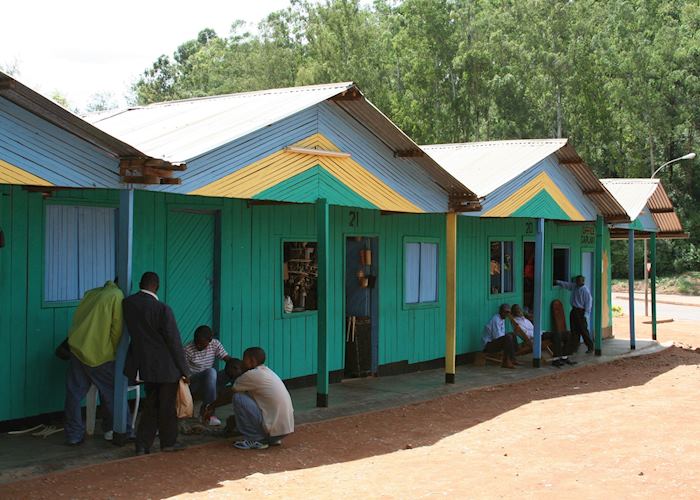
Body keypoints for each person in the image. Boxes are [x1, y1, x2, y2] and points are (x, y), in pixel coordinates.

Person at [123, 272, 190, 455]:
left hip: (144, 364)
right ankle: (168, 442)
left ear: (140, 283)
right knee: (166, 407)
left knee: (150, 404)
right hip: (166, 366)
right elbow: (173, 341)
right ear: (157, 286)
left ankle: (142, 444)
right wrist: (185, 370)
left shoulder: (128, 304)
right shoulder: (162, 309)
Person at [63, 280, 125, 446]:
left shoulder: (91, 292)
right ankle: (116, 430)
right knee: (112, 393)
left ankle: (74, 435)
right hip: (99, 354)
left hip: (77, 348)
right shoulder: (117, 295)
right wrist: (113, 352)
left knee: (74, 394)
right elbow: (117, 330)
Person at [231, 347, 294, 450]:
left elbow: (231, 391)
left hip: (273, 431)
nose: (242, 362)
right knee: (249, 397)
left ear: (252, 361)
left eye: (244, 360)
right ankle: (271, 439)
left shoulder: (251, 375)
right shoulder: (268, 371)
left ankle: (255, 439)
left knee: (238, 398)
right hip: (284, 431)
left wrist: (211, 406)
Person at [184, 325, 233, 426]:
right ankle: (209, 410)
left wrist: (240, 369)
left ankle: (207, 409)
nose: (198, 346)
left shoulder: (215, 344)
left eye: (201, 344)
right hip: (193, 383)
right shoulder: (188, 349)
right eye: (196, 342)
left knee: (232, 370)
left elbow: (228, 359)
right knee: (211, 372)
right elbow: (182, 370)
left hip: (209, 381)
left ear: (210, 340)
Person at [510, 304, 575, 367]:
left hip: (540, 333)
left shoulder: (524, 319)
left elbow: (532, 328)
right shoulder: (516, 322)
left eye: (519, 309)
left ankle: (564, 357)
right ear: (514, 312)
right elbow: (527, 333)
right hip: (536, 336)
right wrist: (538, 334)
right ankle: (556, 360)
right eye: (517, 310)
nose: (520, 311)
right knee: (556, 336)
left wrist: (528, 316)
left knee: (567, 334)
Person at [555, 275, 595, 353]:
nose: (577, 282)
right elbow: (567, 285)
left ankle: (590, 346)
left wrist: (586, 315)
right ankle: (574, 347)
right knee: (574, 330)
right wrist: (557, 282)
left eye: (579, 281)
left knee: (583, 330)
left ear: (583, 281)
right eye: (576, 281)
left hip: (581, 312)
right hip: (574, 311)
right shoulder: (575, 286)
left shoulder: (585, 291)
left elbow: (588, 303)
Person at [482, 304, 518, 369]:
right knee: (508, 337)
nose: (507, 314)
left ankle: (513, 358)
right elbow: (497, 337)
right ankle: (505, 361)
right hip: (488, 345)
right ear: (501, 311)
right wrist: (508, 338)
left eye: (508, 312)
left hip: (495, 342)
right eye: (505, 312)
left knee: (512, 335)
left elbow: (502, 335)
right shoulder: (495, 319)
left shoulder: (502, 319)